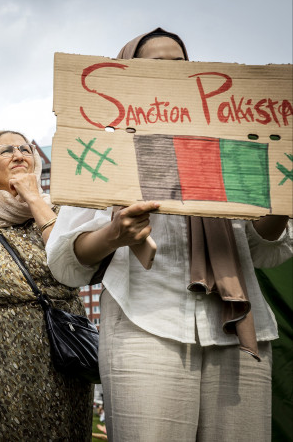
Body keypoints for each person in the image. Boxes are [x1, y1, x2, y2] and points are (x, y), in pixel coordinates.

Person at [46, 28, 293, 441]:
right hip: (144, 326)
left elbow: (265, 249)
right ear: (129, 78)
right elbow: (65, 260)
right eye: (155, 67)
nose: (171, 75)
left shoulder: (231, 144)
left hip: (239, 330)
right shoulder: (106, 151)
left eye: (181, 66)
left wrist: (280, 200)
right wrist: (115, 234)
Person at [0, 131, 93, 441]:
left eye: (25, 149)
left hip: (64, 350)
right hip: (2, 356)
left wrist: (33, 198)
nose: (19, 155)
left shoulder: (60, 212)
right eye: (6, 151)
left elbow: (72, 259)